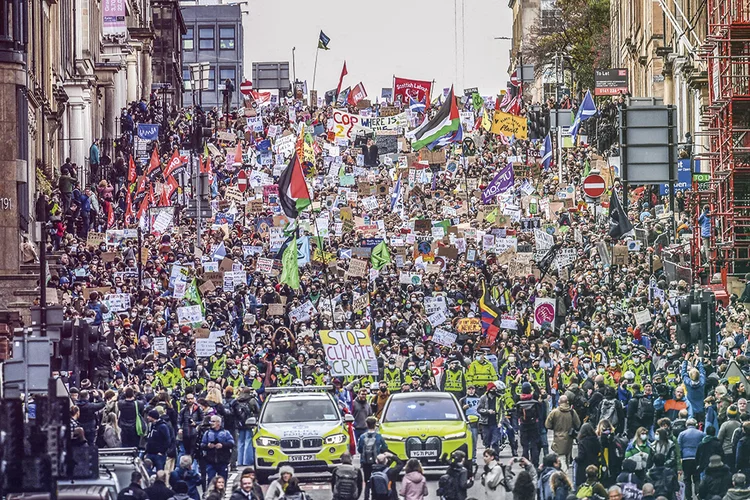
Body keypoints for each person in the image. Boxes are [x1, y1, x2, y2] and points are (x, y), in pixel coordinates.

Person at [545, 394, 581, 468]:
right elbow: (578, 424)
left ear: (559, 402)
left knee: (560, 459)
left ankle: (564, 475)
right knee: (567, 459)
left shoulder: (554, 412)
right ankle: (565, 475)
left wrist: (555, 427)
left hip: (558, 438)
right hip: (569, 438)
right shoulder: (572, 412)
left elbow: (547, 425)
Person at [358, 416, 388, 500]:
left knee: (367, 481)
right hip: (377, 462)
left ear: (366, 425)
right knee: (376, 480)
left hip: (365, 462)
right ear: (375, 425)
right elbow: (385, 447)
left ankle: (366, 497)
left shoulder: (362, 437)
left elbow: (359, 449)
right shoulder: (378, 436)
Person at [200, 415, 234, 482]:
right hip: (210, 461)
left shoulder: (226, 433)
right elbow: (202, 445)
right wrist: (208, 446)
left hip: (223, 461)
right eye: (211, 421)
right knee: (210, 479)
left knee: (223, 480)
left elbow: (231, 443)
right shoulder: (207, 433)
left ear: (218, 423)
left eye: (213, 421)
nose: (211, 423)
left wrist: (222, 445)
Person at [679, 418, 706, 500]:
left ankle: (688, 497)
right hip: (697, 458)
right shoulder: (701, 434)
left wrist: (681, 457)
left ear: (687, 425)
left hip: (686, 458)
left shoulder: (682, 434)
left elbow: (679, 447)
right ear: (696, 425)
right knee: (697, 478)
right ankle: (698, 494)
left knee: (687, 479)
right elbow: (704, 446)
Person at [575, 423, 602, 487]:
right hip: (595, 464)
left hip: (584, 467)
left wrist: (576, 459)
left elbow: (581, 456)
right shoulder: (596, 440)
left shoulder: (582, 442)